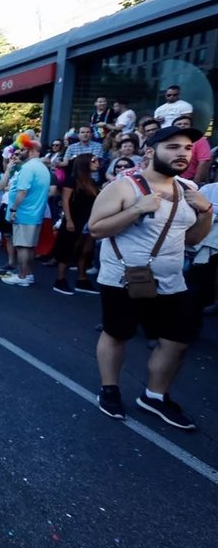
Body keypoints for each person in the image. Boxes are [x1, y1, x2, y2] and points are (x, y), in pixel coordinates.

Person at [89, 125, 214, 429]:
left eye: (186, 148)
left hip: (172, 281)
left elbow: (193, 239)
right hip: (124, 278)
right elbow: (96, 229)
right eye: (172, 147)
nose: (182, 153)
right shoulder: (123, 187)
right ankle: (110, 389)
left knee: (177, 341)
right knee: (117, 334)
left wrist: (207, 212)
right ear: (149, 152)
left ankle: (155, 397)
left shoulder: (188, 190)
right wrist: (137, 210)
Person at [2, 136, 51, 288]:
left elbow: (22, 192)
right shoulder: (42, 167)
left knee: (22, 246)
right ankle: (28, 274)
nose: (20, 152)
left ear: (30, 151)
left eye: (23, 149)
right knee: (28, 246)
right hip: (34, 213)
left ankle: (22, 276)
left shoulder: (28, 168)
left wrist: (14, 209)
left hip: (24, 213)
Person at [52, 154, 101, 295]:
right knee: (67, 249)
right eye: (93, 161)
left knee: (85, 251)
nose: (97, 163)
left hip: (87, 221)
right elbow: (65, 201)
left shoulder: (91, 181)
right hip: (74, 220)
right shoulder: (72, 180)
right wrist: (69, 220)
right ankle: (60, 279)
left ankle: (82, 278)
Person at [171, 115, 213, 185]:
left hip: (191, 180)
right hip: (171, 179)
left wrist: (194, 183)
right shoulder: (169, 141)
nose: (182, 125)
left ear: (191, 126)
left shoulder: (200, 140)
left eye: (186, 124)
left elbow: (203, 163)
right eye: (179, 124)